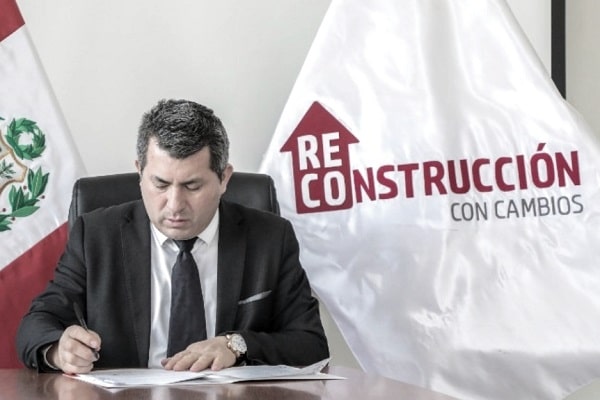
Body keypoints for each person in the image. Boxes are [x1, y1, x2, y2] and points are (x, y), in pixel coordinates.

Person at [17, 99, 329, 374]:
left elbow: (311, 345)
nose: (175, 205)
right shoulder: (96, 235)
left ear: (224, 179)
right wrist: (58, 350)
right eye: (161, 184)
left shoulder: (270, 238)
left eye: (192, 186)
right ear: (140, 173)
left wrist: (236, 345)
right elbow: (36, 324)